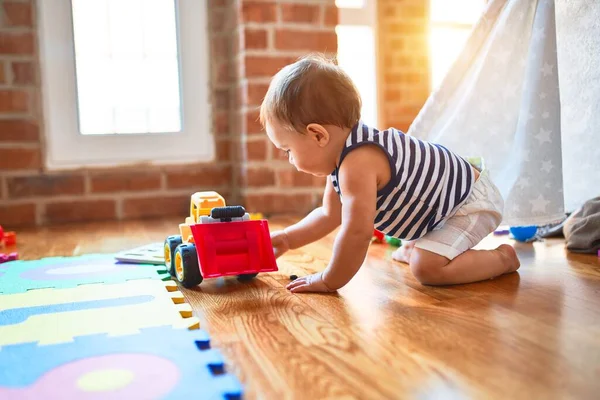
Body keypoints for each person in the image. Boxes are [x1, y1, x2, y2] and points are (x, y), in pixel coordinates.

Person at [259, 54, 520, 293]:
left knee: (426, 267)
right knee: (413, 253)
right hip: (445, 208)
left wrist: (329, 279)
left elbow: (357, 233)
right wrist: (287, 238)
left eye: (287, 150)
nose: (289, 159)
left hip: (469, 204)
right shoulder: (343, 159)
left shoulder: (358, 162)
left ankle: (501, 258)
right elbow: (329, 215)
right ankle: (428, 244)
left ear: (318, 135)